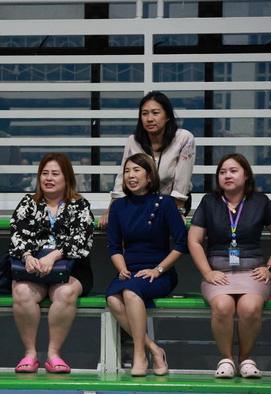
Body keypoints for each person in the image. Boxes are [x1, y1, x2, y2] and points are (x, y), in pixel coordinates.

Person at [188, 153, 271, 379]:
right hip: (218, 273)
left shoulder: (260, 201)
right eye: (223, 172)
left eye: (233, 171)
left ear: (246, 175)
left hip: (252, 273)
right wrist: (207, 272)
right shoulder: (209, 202)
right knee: (223, 305)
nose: (227, 176)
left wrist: (270, 268)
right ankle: (227, 360)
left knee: (249, 308)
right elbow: (193, 241)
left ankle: (245, 359)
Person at [9, 153, 94, 374]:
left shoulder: (80, 205)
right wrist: (28, 257)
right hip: (33, 269)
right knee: (21, 292)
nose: (49, 178)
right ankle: (30, 354)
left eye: (55, 174)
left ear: (67, 178)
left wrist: (54, 256)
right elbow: (17, 236)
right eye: (45, 173)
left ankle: (53, 354)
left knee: (65, 293)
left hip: (71, 269)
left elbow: (81, 241)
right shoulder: (28, 203)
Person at [105, 153, 188, 376]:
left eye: (136, 170)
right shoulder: (118, 207)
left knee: (130, 293)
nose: (130, 176)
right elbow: (114, 247)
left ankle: (139, 354)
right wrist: (122, 268)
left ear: (149, 176)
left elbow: (182, 244)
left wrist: (158, 270)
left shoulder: (165, 203)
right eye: (127, 171)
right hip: (129, 272)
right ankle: (154, 349)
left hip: (159, 272)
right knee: (113, 298)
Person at [99, 91, 196, 228]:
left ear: (167, 116)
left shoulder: (184, 138)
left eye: (155, 113)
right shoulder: (133, 140)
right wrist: (110, 211)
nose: (149, 119)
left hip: (173, 201)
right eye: (144, 114)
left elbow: (182, 179)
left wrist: (178, 211)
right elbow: (122, 177)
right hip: (141, 201)